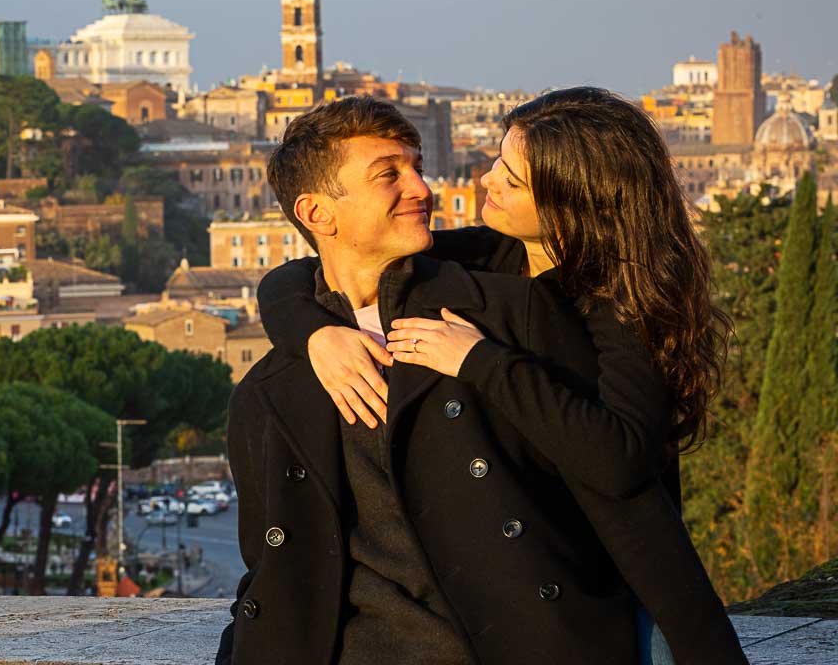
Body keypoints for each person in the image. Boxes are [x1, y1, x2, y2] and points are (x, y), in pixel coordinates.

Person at [216, 95, 745, 665]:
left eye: (511, 179)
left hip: (601, 587)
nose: (475, 180)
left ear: (572, 205)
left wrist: (480, 361)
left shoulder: (611, 304)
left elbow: (620, 466)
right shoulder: (488, 256)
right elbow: (312, 270)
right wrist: (313, 332)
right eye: (392, 173)